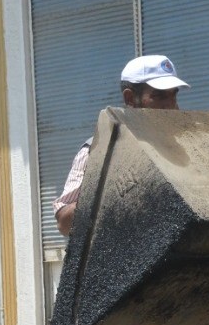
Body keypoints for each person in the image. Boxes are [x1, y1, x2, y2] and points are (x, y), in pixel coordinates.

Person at [54, 55, 188, 236]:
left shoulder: (185, 148)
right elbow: (64, 223)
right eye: (159, 96)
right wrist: (114, 190)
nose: (171, 106)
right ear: (130, 98)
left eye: (173, 95)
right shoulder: (98, 151)